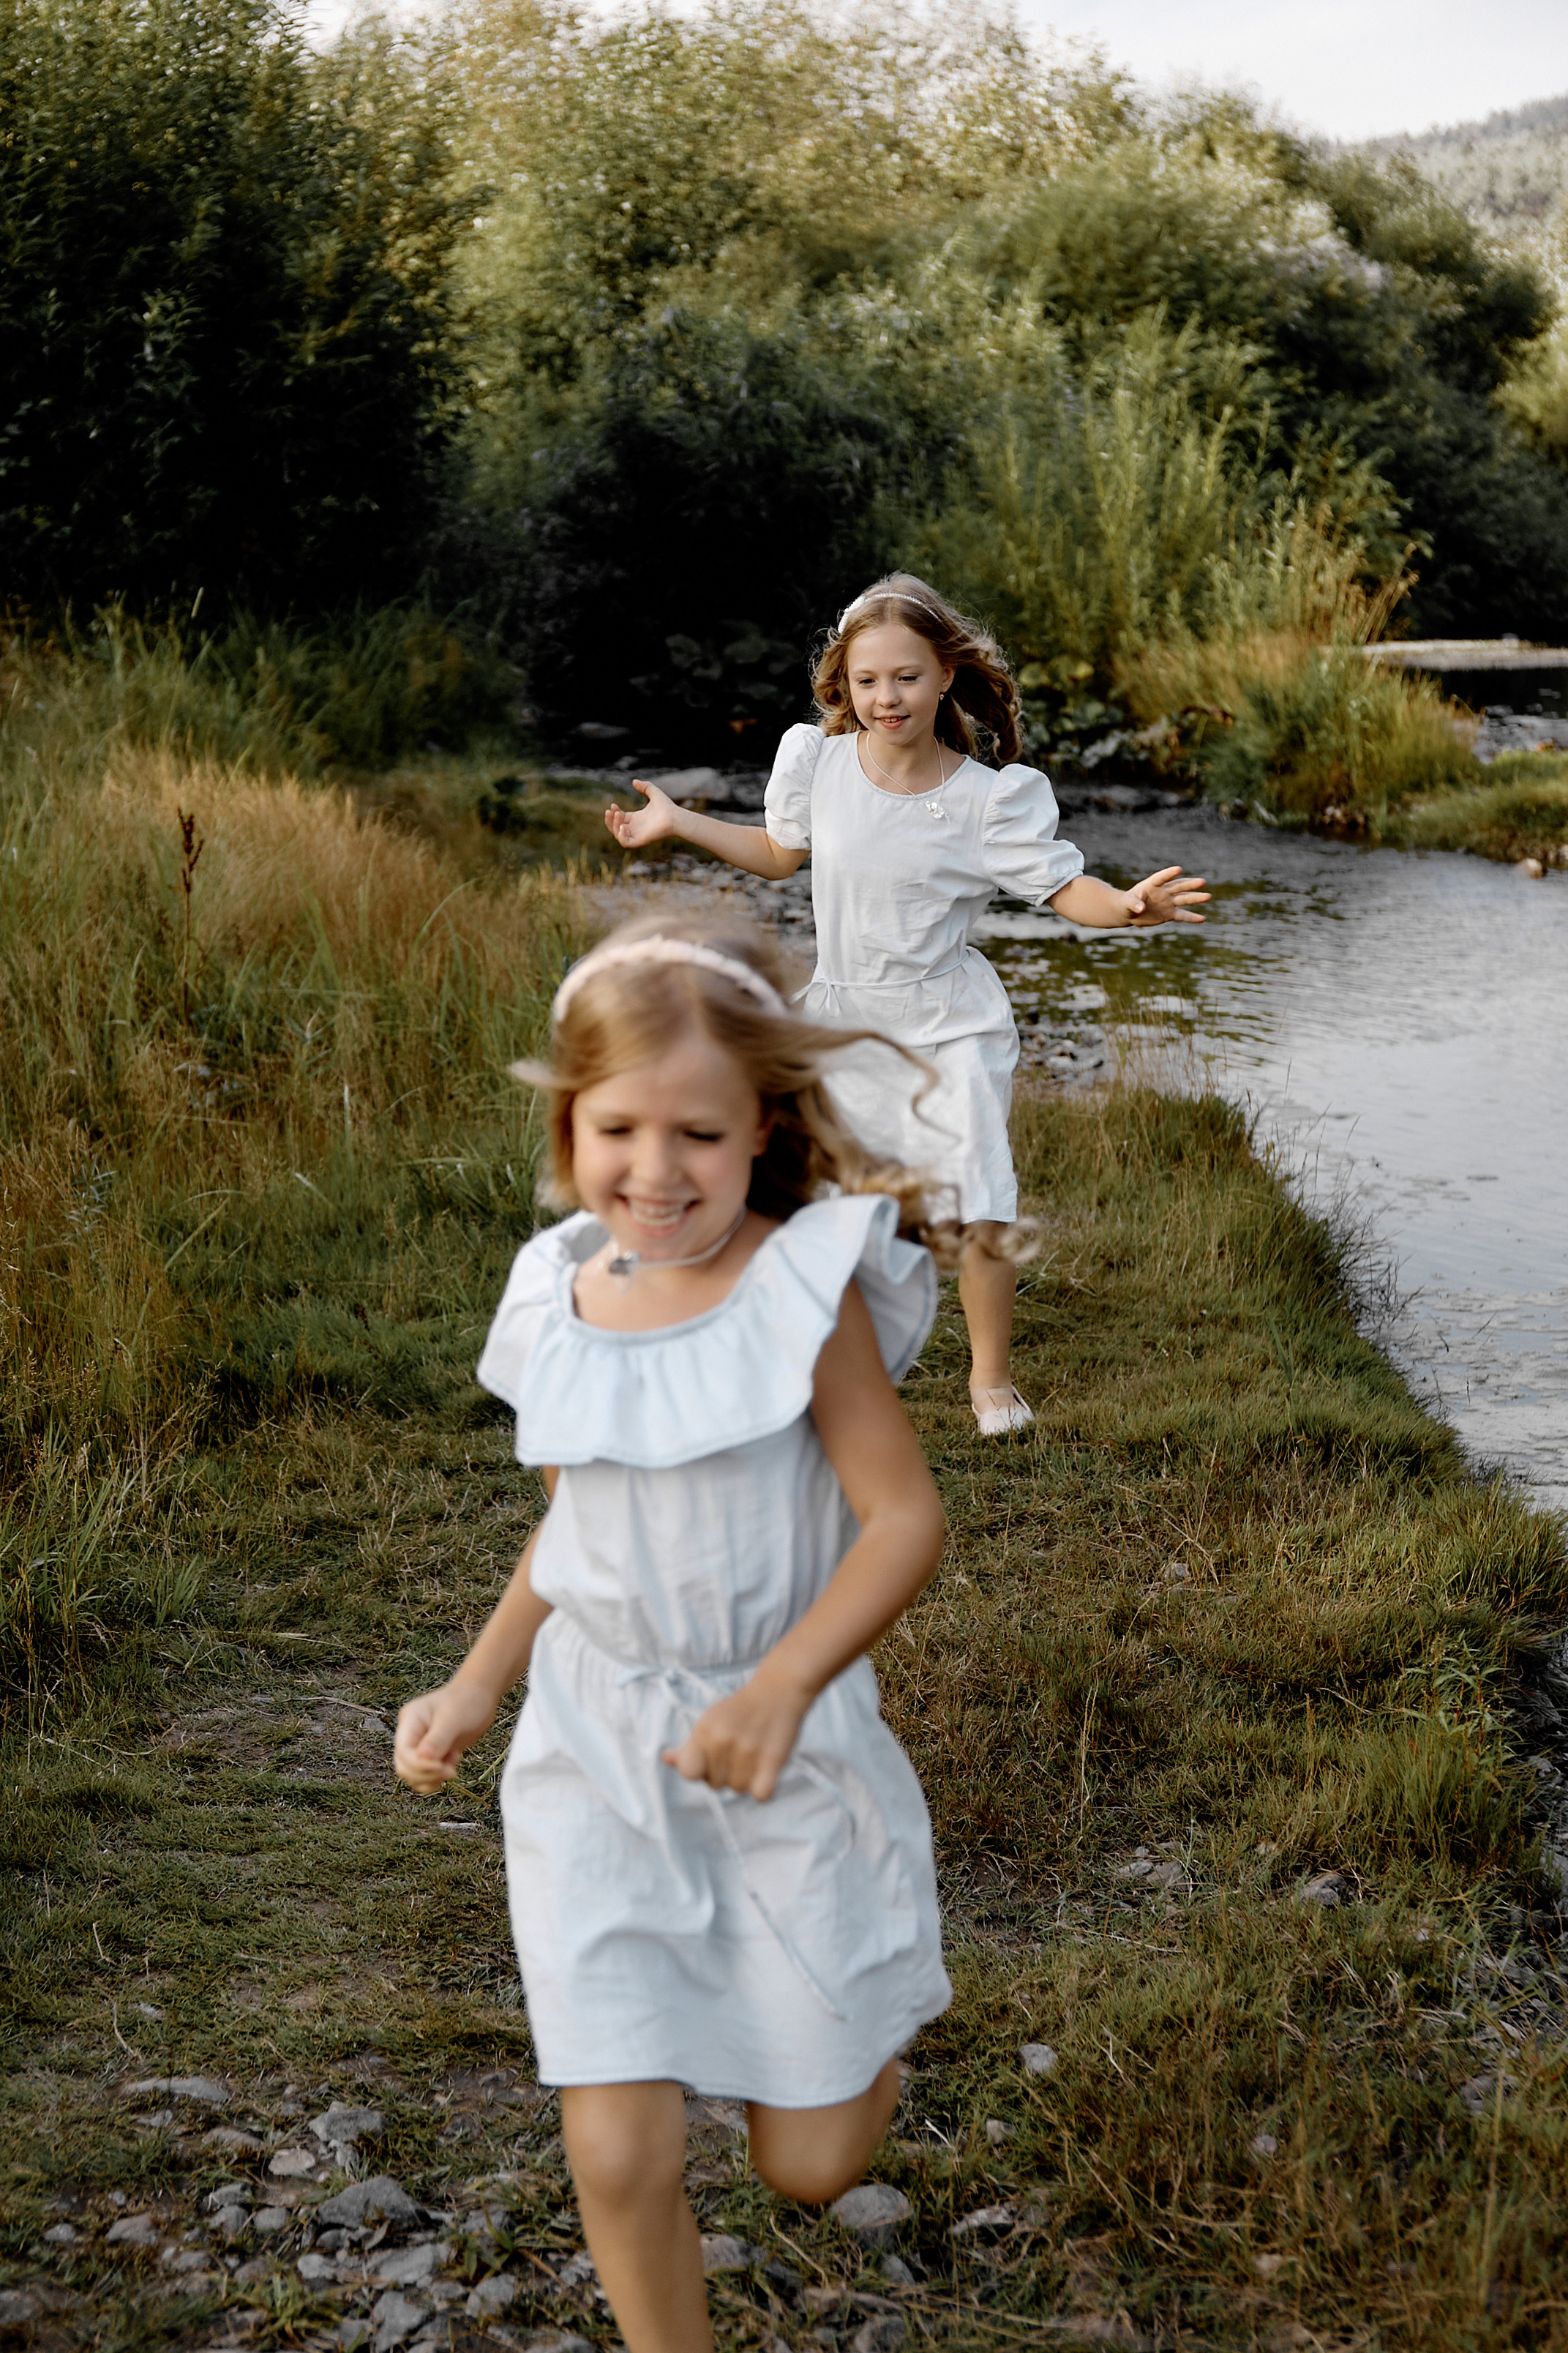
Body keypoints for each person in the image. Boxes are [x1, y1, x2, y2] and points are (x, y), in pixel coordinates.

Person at [394, 912, 967, 2353]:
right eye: (620, 1129)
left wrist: (782, 1683)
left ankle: (854, 2034)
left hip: (778, 1742)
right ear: (569, 1122)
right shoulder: (558, 1295)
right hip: (592, 1743)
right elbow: (578, 1524)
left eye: (699, 1135)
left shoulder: (799, 1287)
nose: (657, 1170)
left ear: (761, 1125)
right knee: (619, 2149)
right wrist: (477, 1678)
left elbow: (903, 1518)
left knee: (811, 2162)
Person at [604, 572, 1209, 1434]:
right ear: (844, 687)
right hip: (843, 1015)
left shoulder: (987, 799)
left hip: (948, 1020)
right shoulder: (816, 762)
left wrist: (1125, 907)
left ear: (946, 677)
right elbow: (780, 853)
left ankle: (989, 1379)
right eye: (867, 680)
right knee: (813, 1191)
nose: (886, 697)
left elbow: (1065, 888)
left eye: (907, 677)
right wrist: (679, 822)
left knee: (978, 1189)